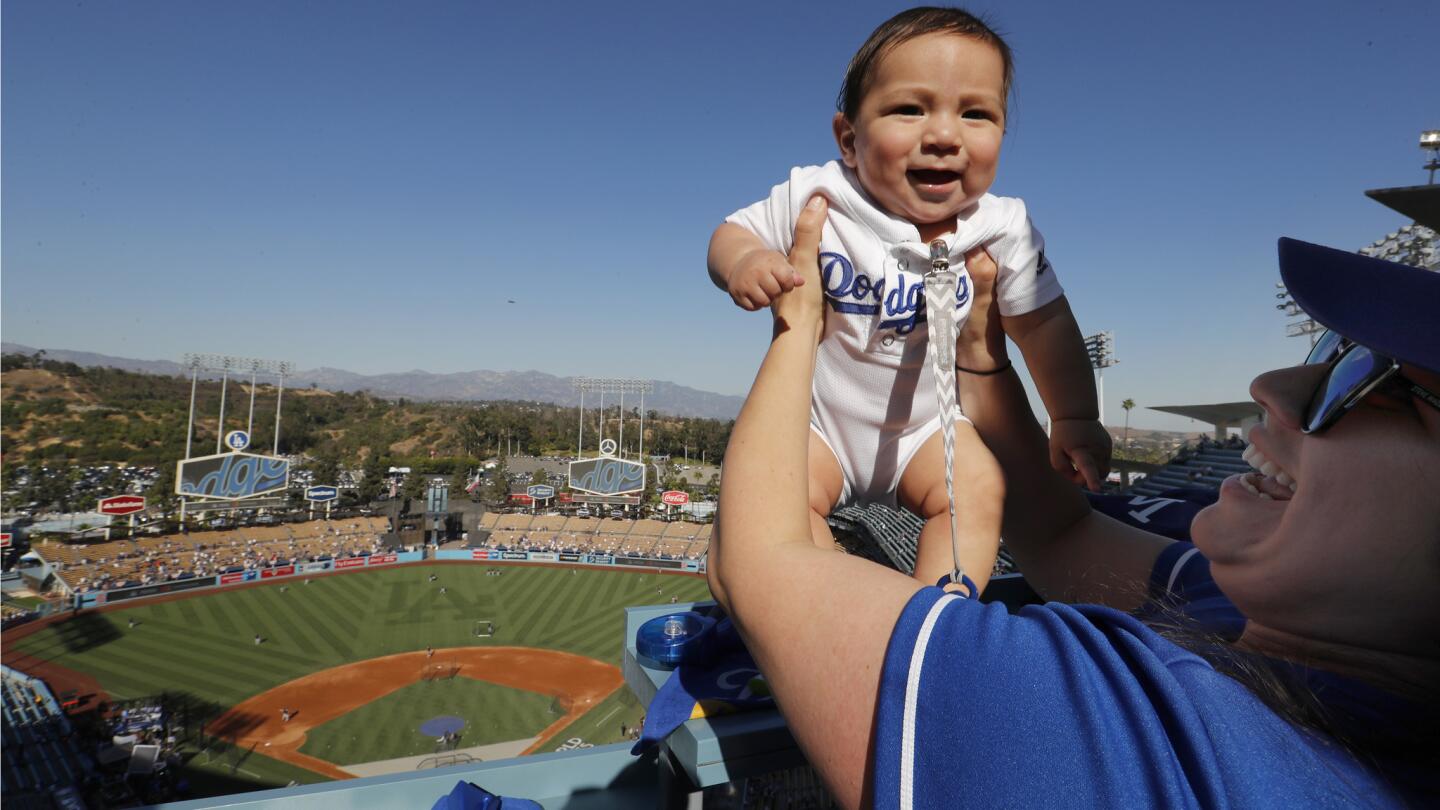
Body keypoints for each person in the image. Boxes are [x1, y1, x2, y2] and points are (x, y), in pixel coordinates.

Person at [706, 199, 1438, 808]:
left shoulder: (1118, 742)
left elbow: (763, 557)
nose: (1272, 388)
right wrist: (981, 356)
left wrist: (801, 322)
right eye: (1327, 350)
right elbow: (1059, 533)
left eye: (1366, 377)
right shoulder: (1271, 617)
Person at [707, 7, 1109, 588]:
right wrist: (745, 261)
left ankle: (942, 615)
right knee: (780, 502)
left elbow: (1045, 326)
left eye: (976, 113)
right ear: (849, 139)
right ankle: (830, 603)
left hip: (928, 429)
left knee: (977, 488)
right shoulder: (820, 192)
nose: (944, 135)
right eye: (909, 109)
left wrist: (1074, 414)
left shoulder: (1001, 227)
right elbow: (729, 233)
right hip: (822, 424)